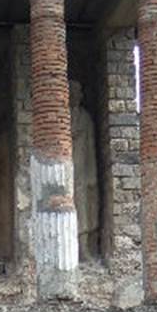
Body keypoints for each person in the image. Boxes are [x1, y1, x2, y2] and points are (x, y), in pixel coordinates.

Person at [70, 79, 100, 261]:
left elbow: (91, 148)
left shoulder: (86, 118)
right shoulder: (59, 118)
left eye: (77, 92)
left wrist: (92, 173)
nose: (74, 96)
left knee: (83, 211)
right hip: (63, 171)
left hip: (81, 170)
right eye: (70, 92)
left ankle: (83, 249)